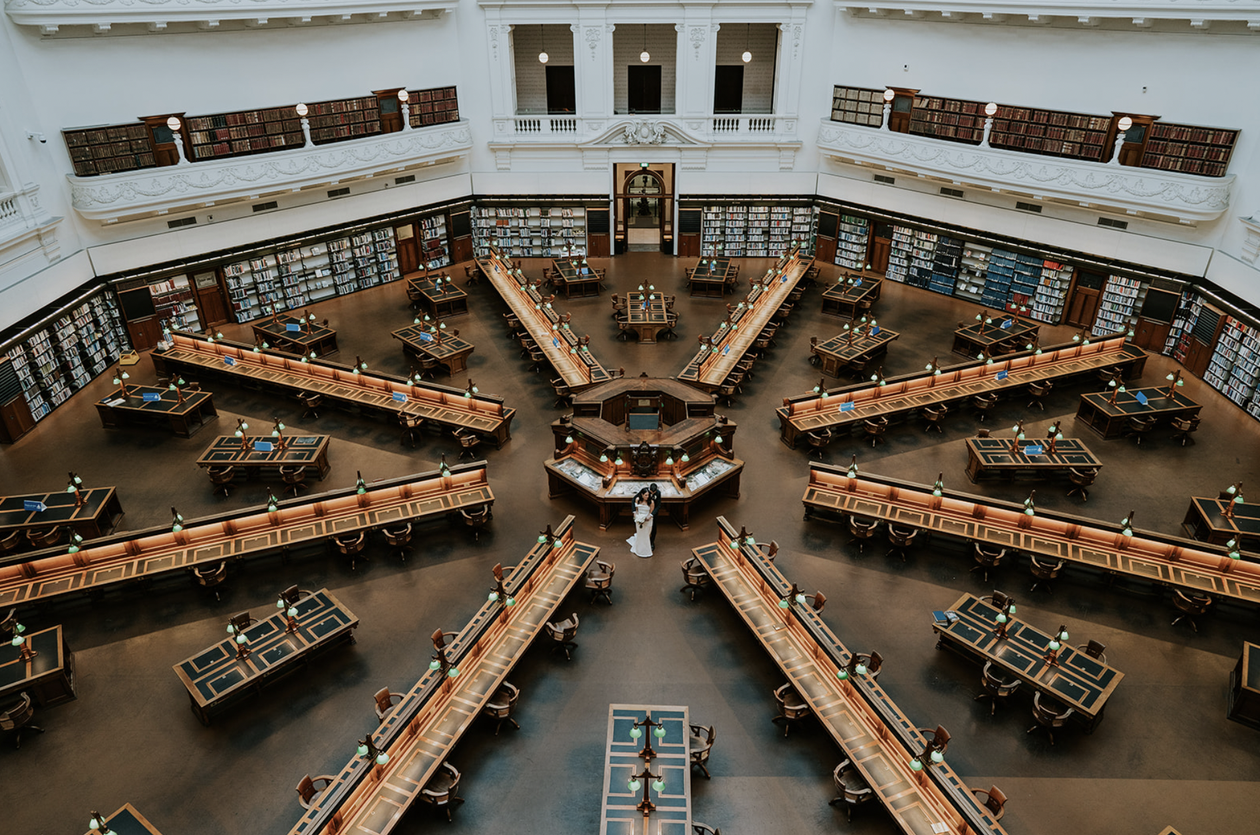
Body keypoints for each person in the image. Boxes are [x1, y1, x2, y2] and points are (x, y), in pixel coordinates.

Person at [626, 489, 654, 558]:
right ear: (642, 495)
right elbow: (637, 510)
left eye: (648, 495)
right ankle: (639, 549)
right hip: (639, 519)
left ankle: (646, 550)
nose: (647, 496)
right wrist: (636, 516)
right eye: (645, 495)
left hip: (648, 520)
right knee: (640, 534)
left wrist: (648, 517)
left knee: (646, 535)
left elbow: (651, 512)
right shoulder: (637, 500)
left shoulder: (651, 502)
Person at [647, 483, 662, 550]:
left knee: (654, 527)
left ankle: (652, 542)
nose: (652, 493)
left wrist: (652, 514)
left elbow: (658, 505)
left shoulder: (658, 493)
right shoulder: (646, 491)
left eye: (654, 492)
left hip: (654, 513)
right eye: (651, 492)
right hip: (646, 510)